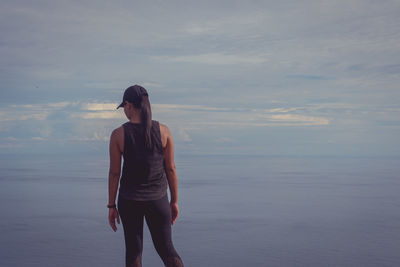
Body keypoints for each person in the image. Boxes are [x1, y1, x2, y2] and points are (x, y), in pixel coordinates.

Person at [107, 85, 184, 267]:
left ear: (128, 105)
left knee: (134, 252)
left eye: (124, 108)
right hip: (158, 200)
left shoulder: (118, 135)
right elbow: (171, 168)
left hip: (129, 200)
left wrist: (111, 205)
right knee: (166, 249)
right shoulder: (164, 131)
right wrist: (174, 201)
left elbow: (114, 173)